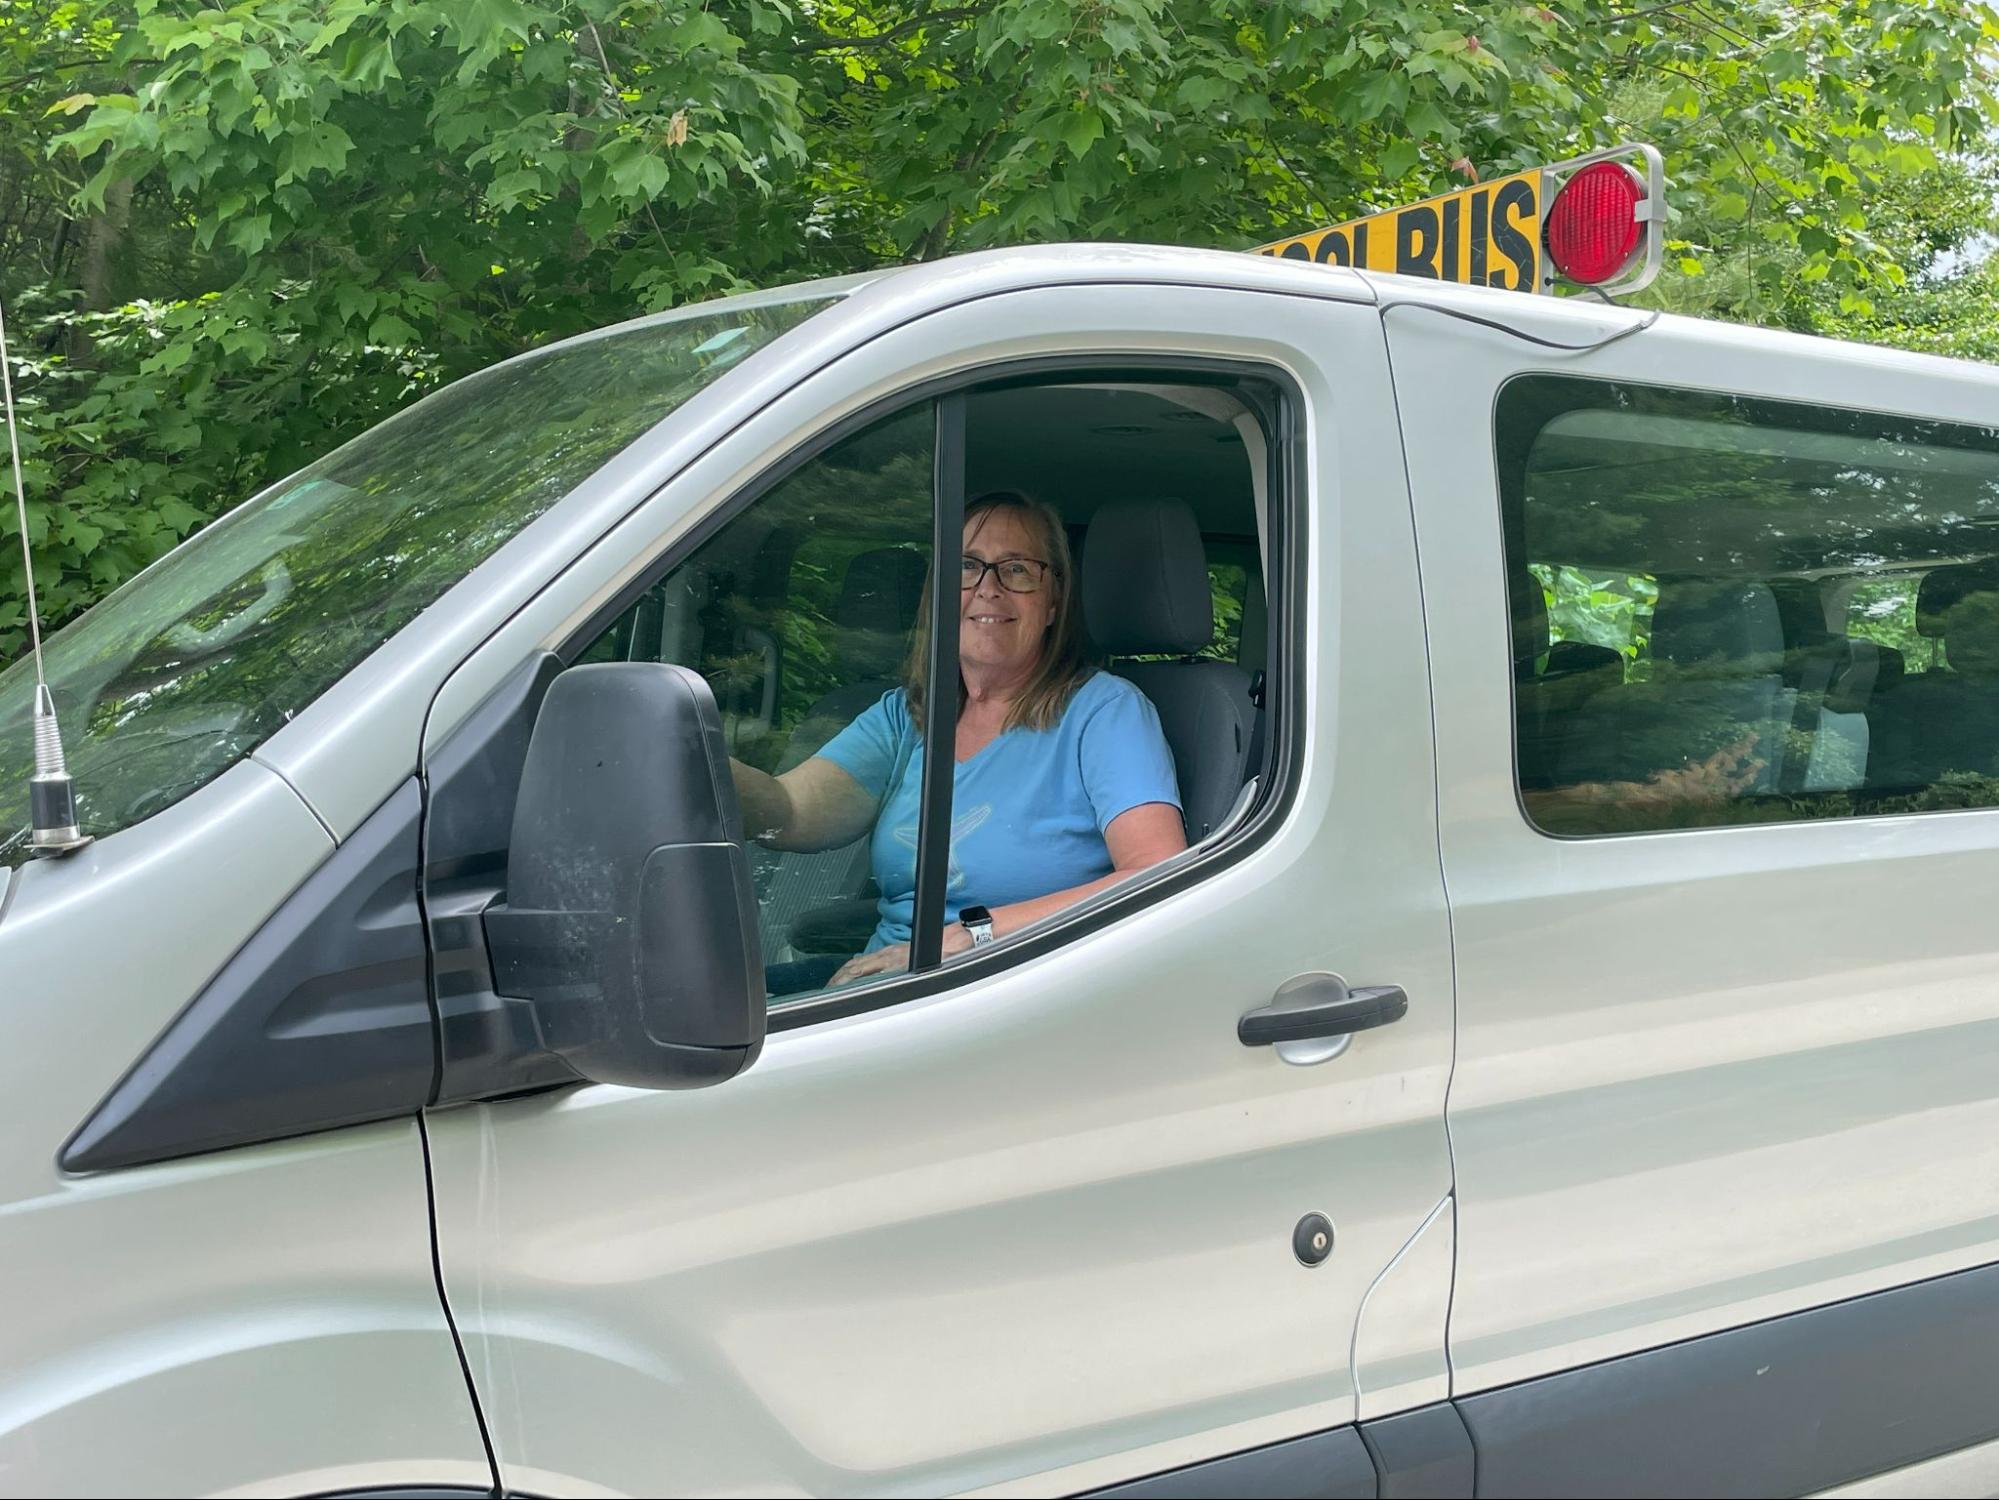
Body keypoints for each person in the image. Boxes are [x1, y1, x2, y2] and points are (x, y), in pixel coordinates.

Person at [733, 490, 1189, 994]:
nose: (988, 589)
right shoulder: (905, 716)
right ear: (939, 594)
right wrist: (687, 764)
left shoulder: (1103, 711)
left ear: (1054, 601)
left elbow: (1156, 872)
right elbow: (789, 810)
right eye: (967, 567)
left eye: (1017, 569)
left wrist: (972, 936)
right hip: (879, 986)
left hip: (1007, 993)